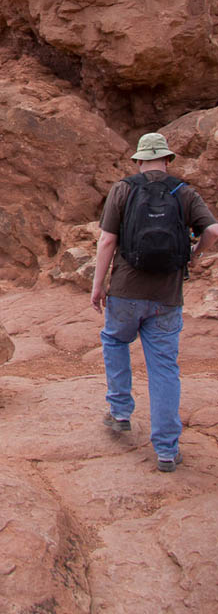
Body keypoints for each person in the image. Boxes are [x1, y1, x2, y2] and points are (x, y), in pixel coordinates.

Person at [91, 132, 218, 472]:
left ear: (138, 161)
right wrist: (193, 254)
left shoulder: (123, 189)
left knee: (115, 341)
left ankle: (119, 412)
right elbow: (214, 231)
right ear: (168, 159)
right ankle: (166, 449)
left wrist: (98, 285)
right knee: (163, 368)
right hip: (167, 297)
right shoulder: (183, 192)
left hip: (125, 292)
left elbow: (106, 242)